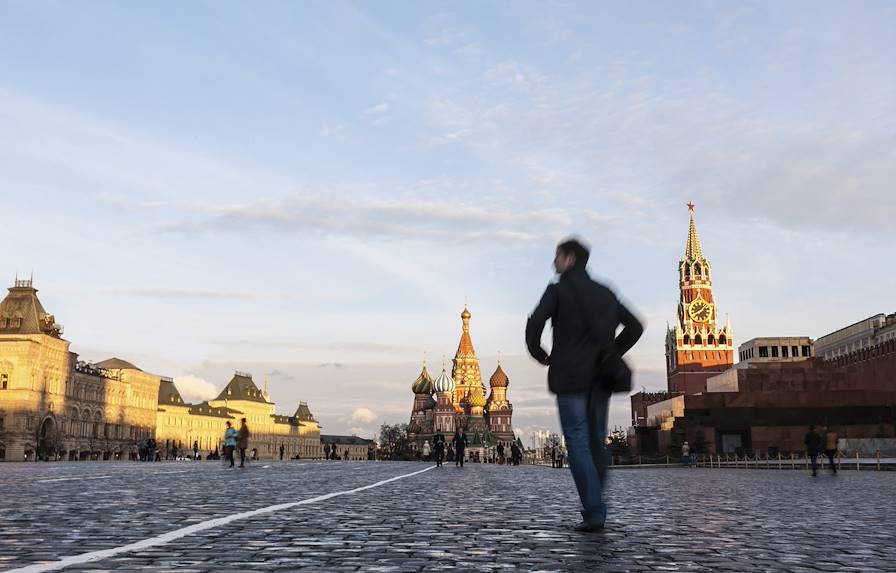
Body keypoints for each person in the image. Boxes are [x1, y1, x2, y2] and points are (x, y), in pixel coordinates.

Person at [526, 238, 643, 533]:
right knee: (596, 441)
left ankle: (594, 510)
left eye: (557, 256)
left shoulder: (557, 290)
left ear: (569, 258)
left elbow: (535, 322)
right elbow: (635, 326)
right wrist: (613, 352)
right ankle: (595, 502)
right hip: (600, 377)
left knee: (577, 441)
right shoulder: (605, 292)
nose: (553, 262)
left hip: (569, 376)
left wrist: (540, 353)